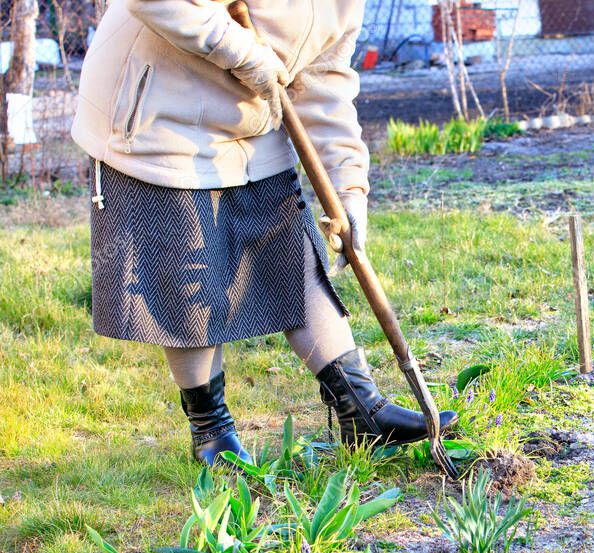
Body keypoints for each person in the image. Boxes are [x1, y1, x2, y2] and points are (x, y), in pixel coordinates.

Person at [71, 0, 456, 466]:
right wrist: (243, 52)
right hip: (158, 115)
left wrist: (349, 189)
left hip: (251, 121)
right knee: (190, 279)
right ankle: (211, 432)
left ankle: (362, 410)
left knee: (293, 258)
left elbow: (324, 84)